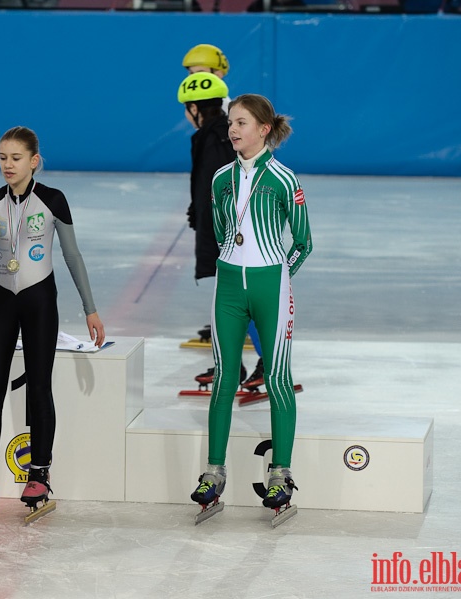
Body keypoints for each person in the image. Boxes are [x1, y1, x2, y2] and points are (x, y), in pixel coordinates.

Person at [0, 126, 105, 511]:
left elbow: (72, 256)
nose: (8, 164)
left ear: (34, 161)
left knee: (40, 386)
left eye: (16, 158)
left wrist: (90, 308)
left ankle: (39, 472)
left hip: (40, 299)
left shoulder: (53, 200)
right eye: (3, 157)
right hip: (0, 299)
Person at [190, 94, 312, 515]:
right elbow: (225, 231)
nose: (233, 129)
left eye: (241, 123)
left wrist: (277, 276)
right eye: (230, 123)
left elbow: (303, 242)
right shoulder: (221, 178)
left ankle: (281, 475)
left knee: (278, 378)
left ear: (263, 129)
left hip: (269, 285)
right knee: (224, 378)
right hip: (227, 287)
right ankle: (214, 473)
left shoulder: (283, 179)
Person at [178, 67, 264, 388]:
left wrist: (213, 222)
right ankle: (233, 366)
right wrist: (197, 209)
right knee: (232, 303)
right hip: (229, 230)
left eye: (187, 109)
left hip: (229, 234)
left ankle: (264, 364)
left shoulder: (214, 137)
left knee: (237, 302)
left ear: (195, 108)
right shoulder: (217, 133)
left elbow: (226, 185)